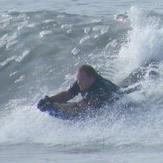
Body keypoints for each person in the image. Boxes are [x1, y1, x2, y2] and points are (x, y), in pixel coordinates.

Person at [37, 65, 121, 119]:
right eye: (78, 79)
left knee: (75, 115)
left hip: (117, 102)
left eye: (82, 80)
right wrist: (49, 100)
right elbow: (67, 95)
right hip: (90, 104)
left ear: (92, 78)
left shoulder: (99, 90)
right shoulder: (81, 82)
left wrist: (54, 107)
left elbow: (78, 108)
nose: (79, 83)